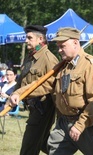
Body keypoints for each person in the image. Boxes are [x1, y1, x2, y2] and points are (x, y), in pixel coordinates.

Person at [8, 27, 93, 155]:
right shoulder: (63, 66)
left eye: (63, 46)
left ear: (75, 43)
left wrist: (79, 126)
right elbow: (43, 84)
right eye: (58, 46)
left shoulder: (91, 65)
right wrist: (19, 93)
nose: (59, 50)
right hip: (63, 123)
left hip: (85, 125)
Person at [9, 25, 59, 155]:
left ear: (40, 39)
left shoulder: (49, 58)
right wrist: (14, 94)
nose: (26, 41)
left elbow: (51, 84)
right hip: (32, 107)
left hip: (43, 107)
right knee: (43, 142)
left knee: (28, 147)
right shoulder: (30, 57)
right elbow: (21, 80)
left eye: (29, 38)